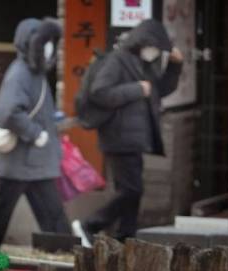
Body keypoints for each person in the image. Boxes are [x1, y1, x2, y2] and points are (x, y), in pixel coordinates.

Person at [72, 19, 183, 246]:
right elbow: (99, 92)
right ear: (141, 42)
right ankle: (90, 224)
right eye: (153, 47)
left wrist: (174, 66)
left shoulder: (143, 63)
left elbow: (158, 91)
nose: (154, 53)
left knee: (132, 191)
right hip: (118, 136)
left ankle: (126, 236)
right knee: (131, 190)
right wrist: (136, 89)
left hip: (134, 139)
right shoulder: (117, 60)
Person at [0, 18, 70, 249]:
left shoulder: (32, 72)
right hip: (24, 159)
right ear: (32, 44)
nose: (49, 48)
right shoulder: (22, 73)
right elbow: (7, 113)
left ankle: (65, 251)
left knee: (8, 211)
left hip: (29, 161)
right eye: (45, 42)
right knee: (2, 212)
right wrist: (35, 133)